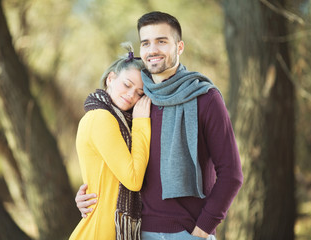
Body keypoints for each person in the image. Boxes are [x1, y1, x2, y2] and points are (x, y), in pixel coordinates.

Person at [76, 11, 243, 240]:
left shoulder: (205, 98)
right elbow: (118, 166)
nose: (152, 50)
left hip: (189, 233)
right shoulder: (135, 105)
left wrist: (202, 230)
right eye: (146, 43)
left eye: (161, 41)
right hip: (136, 232)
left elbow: (231, 174)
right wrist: (87, 195)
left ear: (179, 47)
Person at [69, 42, 151, 240]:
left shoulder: (118, 123)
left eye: (139, 93)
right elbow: (133, 179)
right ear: (111, 78)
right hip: (99, 231)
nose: (131, 95)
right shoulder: (101, 118)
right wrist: (141, 122)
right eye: (127, 84)